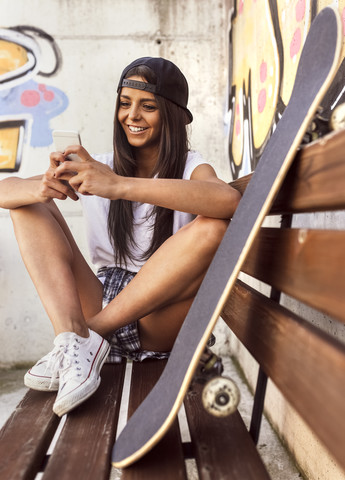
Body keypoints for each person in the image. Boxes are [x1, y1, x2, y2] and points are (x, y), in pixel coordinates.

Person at [0, 57, 241, 417]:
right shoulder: (98, 165)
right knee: (26, 204)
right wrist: (43, 187)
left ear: (172, 115)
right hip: (100, 297)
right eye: (125, 104)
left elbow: (228, 200)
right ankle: (73, 340)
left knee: (214, 228)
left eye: (148, 106)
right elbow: (5, 190)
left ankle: (85, 339)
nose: (132, 116)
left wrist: (120, 186)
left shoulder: (191, 166)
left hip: (159, 315)